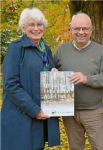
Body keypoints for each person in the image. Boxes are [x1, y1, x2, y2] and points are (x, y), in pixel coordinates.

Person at [1, 8, 60, 150]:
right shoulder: (16, 48)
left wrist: (54, 74)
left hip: (40, 117)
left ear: (44, 27)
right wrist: (34, 110)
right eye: (31, 25)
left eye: (39, 24)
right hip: (20, 117)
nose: (36, 29)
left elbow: (46, 77)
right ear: (24, 28)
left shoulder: (46, 49)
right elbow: (11, 85)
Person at [53, 12, 103, 150]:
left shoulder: (100, 51)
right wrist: (53, 73)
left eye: (85, 29)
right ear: (71, 29)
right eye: (77, 28)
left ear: (91, 30)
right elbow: (51, 72)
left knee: (100, 147)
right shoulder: (61, 50)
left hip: (94, 111)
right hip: (69, 112)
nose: (81, 32)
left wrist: (87, 79)